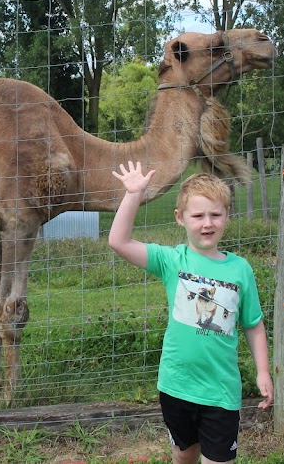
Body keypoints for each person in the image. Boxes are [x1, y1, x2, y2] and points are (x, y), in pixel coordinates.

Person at [108, 162, 272, 464]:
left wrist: (263, 371)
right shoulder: (171, 260)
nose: (206, 223)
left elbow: (254, 325)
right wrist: (133, 195)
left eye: (215, 214)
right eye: (197, 216)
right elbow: (119, 242)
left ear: (227, 216)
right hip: (176, 387)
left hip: (221, 392)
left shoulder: (240, 269)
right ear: (180, 218)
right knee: (184, 456)